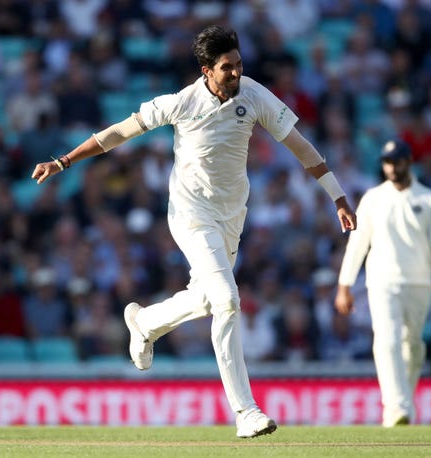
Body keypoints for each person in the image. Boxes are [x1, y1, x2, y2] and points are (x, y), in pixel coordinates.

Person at [31, 25, 357, 438]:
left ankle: (146, 323)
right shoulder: (182, 103)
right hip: (191, 214)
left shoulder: (254, 94)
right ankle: (246, 411)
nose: (236, 74)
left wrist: (337, 195)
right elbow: (119, 132)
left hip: (232, 214)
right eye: (227, 68)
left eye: (239, 64)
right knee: (227, 301)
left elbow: (299, 146)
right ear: (206, 70)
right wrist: (63, 162)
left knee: (206, 299)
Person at [334, 138, 431, 427]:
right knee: (386, 340)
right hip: (382, 281)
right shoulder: (373, 198)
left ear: (409, 161)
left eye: (396, 161)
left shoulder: (429, 199)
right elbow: (358, 244)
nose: (391, 167)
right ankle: (395, 407)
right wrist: (344, 285)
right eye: (387, 162)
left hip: (418, 282)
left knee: (411, 345)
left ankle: (404, 403)